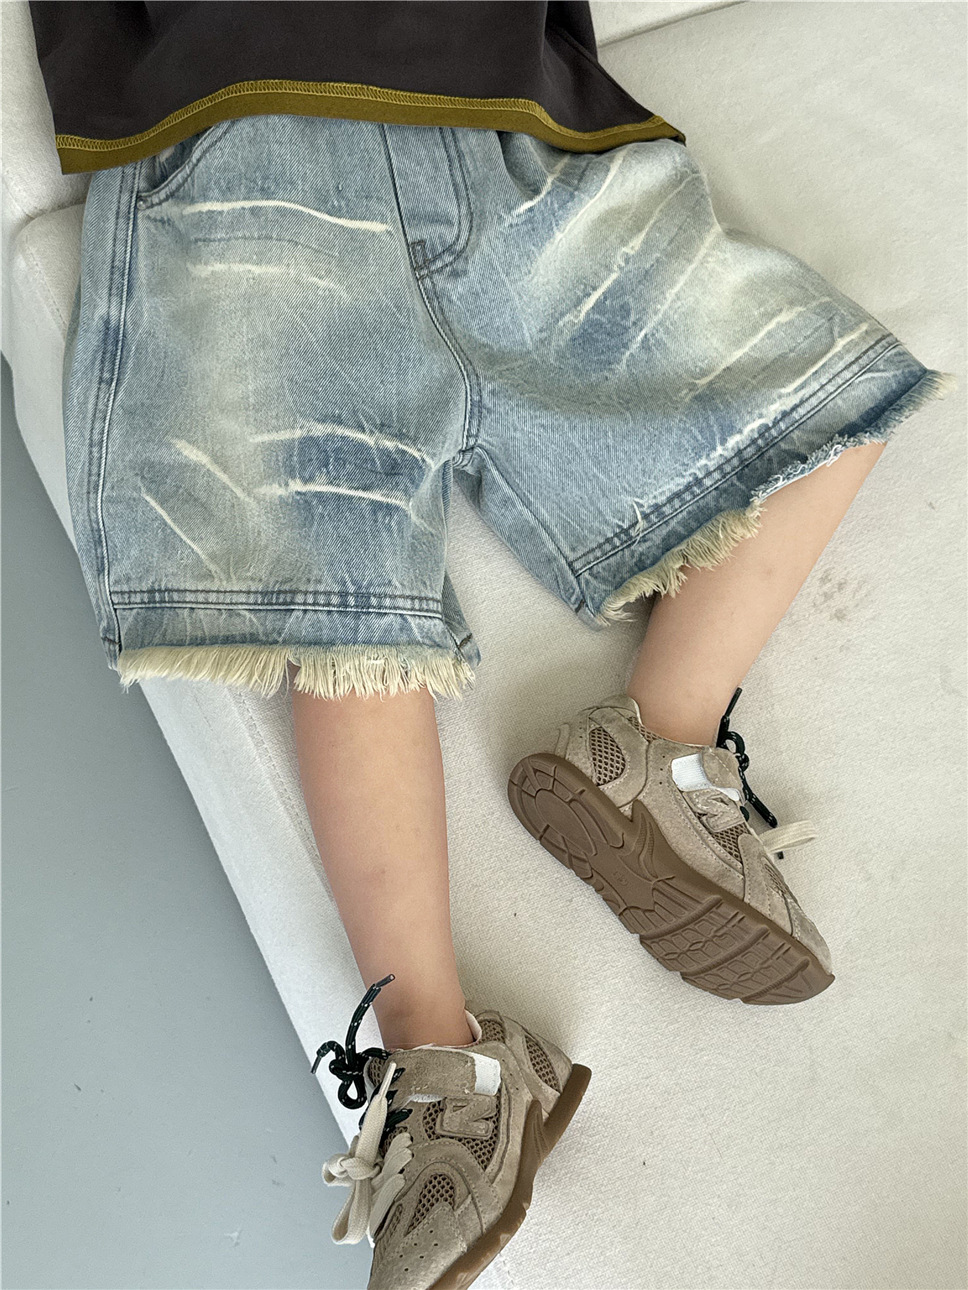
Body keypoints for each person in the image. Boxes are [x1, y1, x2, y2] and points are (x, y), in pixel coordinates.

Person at [32, 2, 956, 1286]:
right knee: (343, 619)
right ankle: (442, 1062)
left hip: (506, 129)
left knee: (822, 409)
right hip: (242, 148)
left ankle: (654, 751)